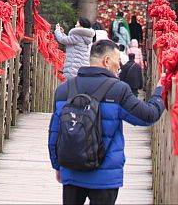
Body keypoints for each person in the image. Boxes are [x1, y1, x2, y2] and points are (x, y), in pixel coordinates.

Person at [48, 38, 165, 205]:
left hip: (71, 171)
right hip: (105, 177)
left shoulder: (64, 90)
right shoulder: (118, 89)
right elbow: (148, 116)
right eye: (118, 61)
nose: (120, 67)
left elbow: (54, 133)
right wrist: (160, 91)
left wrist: (57, 166)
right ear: (107, 61)